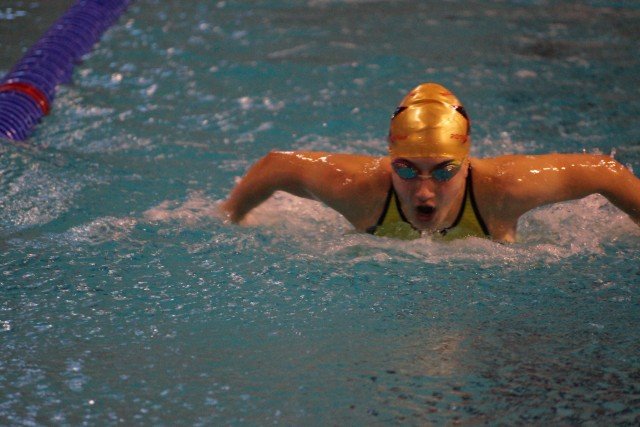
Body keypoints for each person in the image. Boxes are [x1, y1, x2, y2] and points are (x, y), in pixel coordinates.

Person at [221, 83, 640, 242]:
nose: (423, 190)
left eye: (444, 170)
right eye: (405, 169)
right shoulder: (357, 188)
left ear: (465, 162)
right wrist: (232, 217)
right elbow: (276, 165)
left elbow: (602, 170)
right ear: (390, 158)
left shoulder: (504, 190)